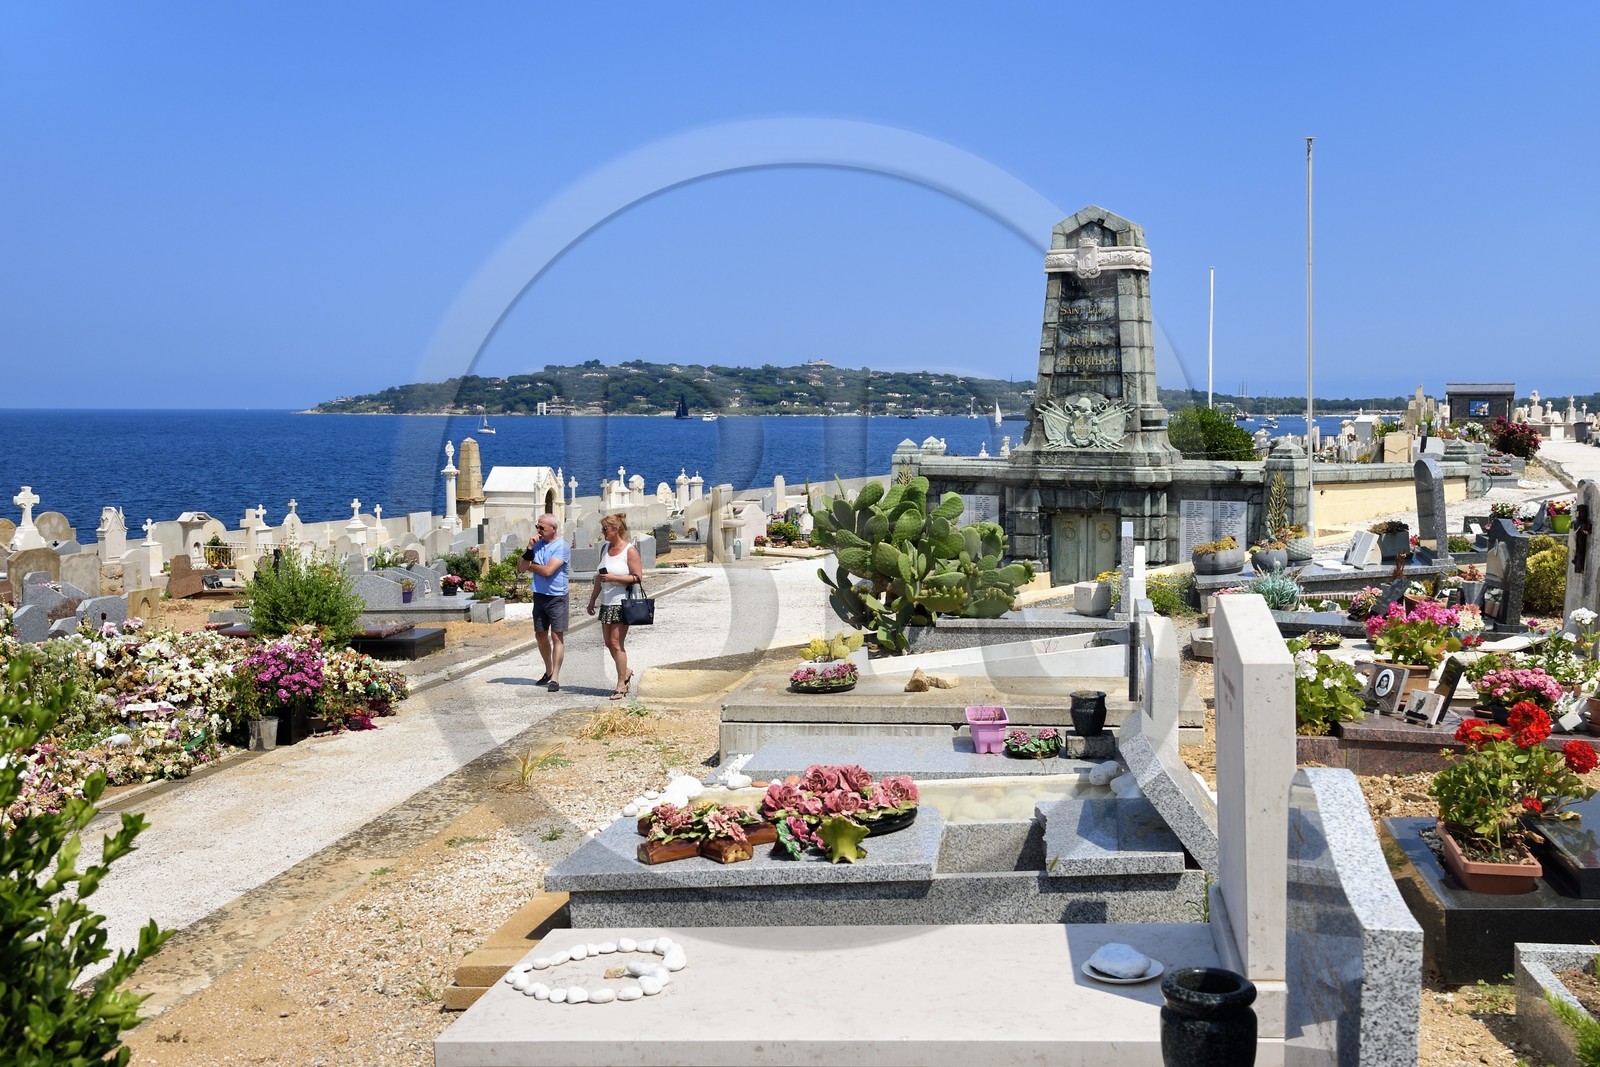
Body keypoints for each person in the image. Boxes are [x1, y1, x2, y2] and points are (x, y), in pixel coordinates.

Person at [587, 512, 644, 700]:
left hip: (622, 602)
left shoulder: (629, 550)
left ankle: (621, 685)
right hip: (607, 602)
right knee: (608, 642)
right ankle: (625, 671)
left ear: (616, 529)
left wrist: (615, 579)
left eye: (605, 529)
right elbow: (599, 578)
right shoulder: (605, 549)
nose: (602, 532)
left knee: (616, 643)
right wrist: (592, 599)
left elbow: (637, 577)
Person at [523, 513, 570, 692]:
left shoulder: (562, 546)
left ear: (553, 529)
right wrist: (529, 549)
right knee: (540, 634)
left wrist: (531, 566)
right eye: (537, 527)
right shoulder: (537, 545)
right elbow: (521, 567)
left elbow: (549, 571)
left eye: (542, 528)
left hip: (557, 596)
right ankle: (548, 670)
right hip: (539, 594)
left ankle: (555, 678)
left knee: (557, 636)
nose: (538, 531)